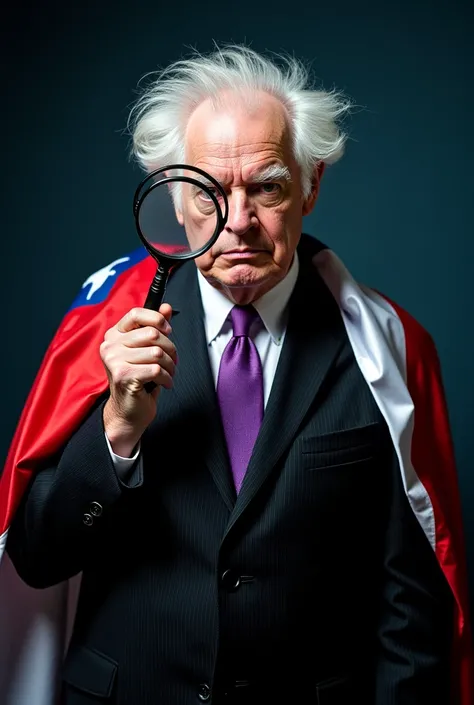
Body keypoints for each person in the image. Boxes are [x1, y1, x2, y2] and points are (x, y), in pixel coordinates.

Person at [3, 45, 472, 705]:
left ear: (311, 185)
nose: (240, 221)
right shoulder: (107, 332)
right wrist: (115, 430)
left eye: (267, 186)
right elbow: (36, 558)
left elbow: (411, 606)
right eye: (209, 191)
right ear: (173, 196)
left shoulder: (386, 349)